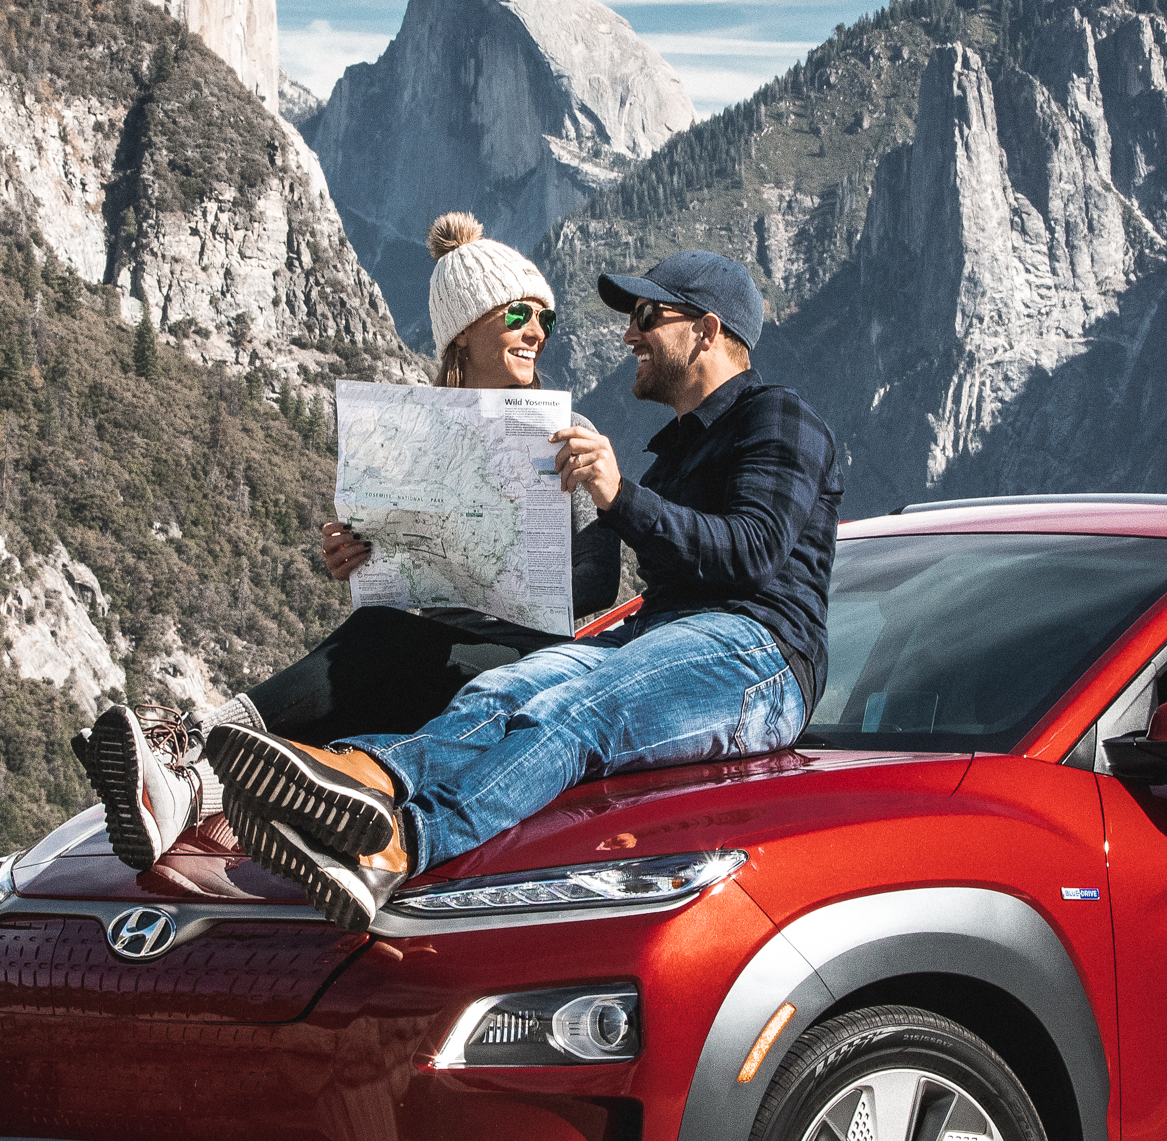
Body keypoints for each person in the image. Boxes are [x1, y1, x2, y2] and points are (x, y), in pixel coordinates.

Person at [206, 248, 844, 931]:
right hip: (662, 640)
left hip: (760, 654)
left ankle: (399, 845)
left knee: (579, 711)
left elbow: (750, 553)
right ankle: (357, 779)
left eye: (646, 315)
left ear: (708, 331)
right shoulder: (675, 453)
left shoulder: (778, 417)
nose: (628, 333)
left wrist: (618, 495)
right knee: (499, 693)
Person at [75, 213, 620, 872]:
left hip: (525, 655)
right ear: (465, 331)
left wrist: (549, 542)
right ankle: (182, 794)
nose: (535, 332)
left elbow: (601, 581)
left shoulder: (571, 431)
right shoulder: (409, 434)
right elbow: (395, 564)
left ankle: (190, 747)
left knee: (380, 643)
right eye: (517, 317)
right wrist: (356, 556)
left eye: (545, 320)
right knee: (376, 639)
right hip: (433, 644)